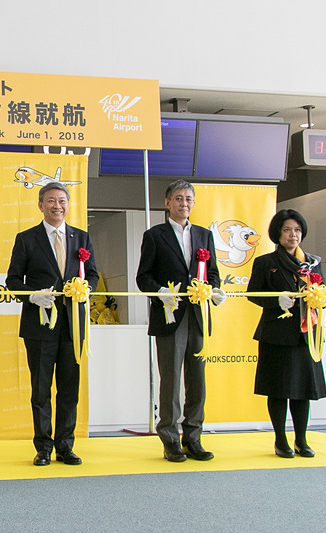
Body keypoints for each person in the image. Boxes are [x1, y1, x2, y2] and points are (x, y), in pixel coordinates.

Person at [6, 181, 98, 466]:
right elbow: (12, 281)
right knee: (41, 389)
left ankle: (66, 446)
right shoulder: (26, 238)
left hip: (73, 325)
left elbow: (93, 275)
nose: (57, 205)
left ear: (68, 204)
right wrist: (32, 297)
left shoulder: (81, 238)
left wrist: (85, 288)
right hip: (39, 326)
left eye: (62, 200)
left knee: (69, 389)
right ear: (40, 205)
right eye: (51, 201)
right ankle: (43, 447)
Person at [136, 179, 226, 462]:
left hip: (198, 316)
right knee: (171, 381)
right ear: (167, 202)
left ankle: (194, 437)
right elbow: (143, 278)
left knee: (197, 382)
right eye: (178, 198)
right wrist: (161, 292)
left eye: (188, 199)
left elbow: (212, 273)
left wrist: (213, 289)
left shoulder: (204, 235)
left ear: (193, 203)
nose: (183, 203)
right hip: (170, 315)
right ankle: (170, 439)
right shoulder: (155, 235)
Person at [246, 209, 326, 458]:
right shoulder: (265, 262)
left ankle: (301, 439)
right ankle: (281, 440)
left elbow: (321, 289)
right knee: (278, 388)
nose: (294, 235)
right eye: (288, 230)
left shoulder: (313, 262)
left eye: (298, 230)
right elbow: (252, 293)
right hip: (276, 334)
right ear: (277, 233)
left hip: (306, 335)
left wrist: (323, 298)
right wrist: (275, 301)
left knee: (303, 390)